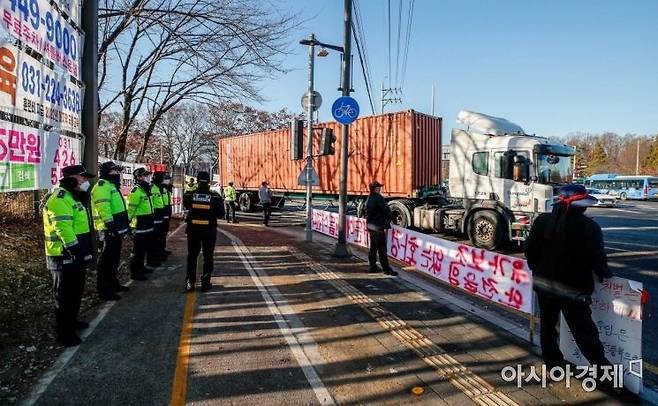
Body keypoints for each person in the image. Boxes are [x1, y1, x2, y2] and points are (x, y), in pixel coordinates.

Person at [525, 184, 613, 373]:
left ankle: (553, 363)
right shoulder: (589, 226)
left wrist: (538, 270)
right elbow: (597, 259)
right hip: (574, 289)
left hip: (544, 285)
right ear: (583, 206)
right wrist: (606, 275)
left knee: (548, 326)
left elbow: (529, 252)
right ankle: (606, 375)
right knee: (584, 332)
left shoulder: (542, 221)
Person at [43, 165, 95, 346]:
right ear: (72, 178)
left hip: (75, 255)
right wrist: (75, 249)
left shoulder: (74, 198)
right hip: (62, 255)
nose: (85, 182)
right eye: (83, 178)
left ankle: (72, 321)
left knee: (75, 291)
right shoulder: (60, 198)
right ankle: (64, 333)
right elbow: (63, 227)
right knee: (64, 295)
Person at [91, 161, 130, 301]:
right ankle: (104, 291)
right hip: (107, 231)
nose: (117, 174)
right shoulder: (102, 187)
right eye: (114, 171)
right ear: (107, 172)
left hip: (115, 230)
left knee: (114, 259)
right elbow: (103, 207)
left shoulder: (111, 186)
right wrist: (110, 225)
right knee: (106, 261)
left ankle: (113, 284)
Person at [183, 171, 225, 292]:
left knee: (192, 256)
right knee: (208, 256)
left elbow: (186, 205)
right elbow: (221, 215)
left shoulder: (189, 195)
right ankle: (205, 283)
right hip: (208, 231)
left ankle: (189, 283)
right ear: (209, 182)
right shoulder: (215, 196)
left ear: (197, 180)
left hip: (193, 231)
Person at [127, 168, 156, 280]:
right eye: (144, 176)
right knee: (137, 250)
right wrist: (128, 223)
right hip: (139, 226)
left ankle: (141, 267)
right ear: (138, 177)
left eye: (147, 175)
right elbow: (131, 210)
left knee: (144, 248)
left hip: (147, 224)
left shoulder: (145, 190)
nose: (147, 178)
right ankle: (135, 272)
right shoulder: (136, 191)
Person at [365, 181, 397, 276]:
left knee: (373, 247)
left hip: (371, 225)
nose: (380, 189)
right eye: (379, 187)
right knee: (382, 249)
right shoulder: (378, 197)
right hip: (378, 226)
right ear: (376, 188)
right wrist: (391, 218)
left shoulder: (369, 197)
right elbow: (386, 210)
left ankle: (373, 266)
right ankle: (386, 269)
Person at [151, 171, 169, 261]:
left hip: (163, 212)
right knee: (156, 236)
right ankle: (156, 254)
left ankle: (161, 251)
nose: (164, 180)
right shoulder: (152, 188)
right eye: (162, 178)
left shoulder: (162, 187)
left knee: (162, 234)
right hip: (156, 214)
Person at [161, 172, 174, 257]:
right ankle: (160, 250)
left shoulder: (167, 189)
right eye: (166, 179)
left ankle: (163, 249)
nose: (168, 181)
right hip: (162, 212)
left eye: (168, 179)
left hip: (167, 211)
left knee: (164, 232)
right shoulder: (161, 188)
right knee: (161, 233)